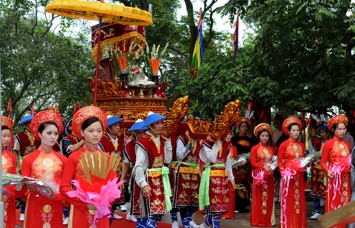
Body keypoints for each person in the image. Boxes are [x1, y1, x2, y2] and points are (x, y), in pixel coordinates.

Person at [60, 105, 118, 227]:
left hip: (101, 211)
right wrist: (84, 202)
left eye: (98, 130)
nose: (95, 134)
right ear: (82, 132)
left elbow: (113, 185)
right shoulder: (74, 157)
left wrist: (104, 201)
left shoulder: (107, 158)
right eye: (90, 131)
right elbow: (64, 187)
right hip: (80, 210)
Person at [21, 109, 67, 227]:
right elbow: (24, 186)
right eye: (49, 133)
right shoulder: (28, 159)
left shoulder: (62, 160)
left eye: (56, 134)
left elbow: (65, 185)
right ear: (40, 134)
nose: (53, 137)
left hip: (56, 202)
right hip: (35, 202)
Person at [134, 111, 173, 228]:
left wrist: (168, 143)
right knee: (150, 213)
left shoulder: (161, 139)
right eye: (157, 124)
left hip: (159, 180)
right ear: (150, 126)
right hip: (149, 180)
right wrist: (143, 184)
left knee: (157, 213)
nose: (161, 126)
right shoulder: (144, 141)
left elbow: (167, 160)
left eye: (161, 123)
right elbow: (139, 165)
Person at [199, 128, 234, 228]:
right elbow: (212, 159)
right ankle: (214, 226)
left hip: (222, 178)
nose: (229, 136)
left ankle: (205, 225)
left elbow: (227, 164)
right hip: (211, 176)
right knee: (214, 203)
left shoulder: (227, 146)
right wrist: (217, 143)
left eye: (230, 134)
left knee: (220, 204)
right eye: (226, 134)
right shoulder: (207, 143)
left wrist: (231, 178)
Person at [320, 114, 351, 225]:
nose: (342, 131)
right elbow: (322, 162)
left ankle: (344, 225)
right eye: (339, 129)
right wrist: (327, 170)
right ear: (333, 130)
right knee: (334, 201)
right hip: (333, 178)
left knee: (345, 202)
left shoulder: (347, 144)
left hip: (345, 177)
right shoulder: (328, 144)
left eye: (344, 129)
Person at [278, 116, 307, 228]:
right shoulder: (284, 145)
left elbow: (302, 161)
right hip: (288, 177)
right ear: (288, 132)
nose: (296, 132)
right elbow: (280, 162)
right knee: (289, 201)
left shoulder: (301, 145)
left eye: (297, 130)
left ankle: (299, 224)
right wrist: (283, 172)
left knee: (299, 200)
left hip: (298, 177)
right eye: (293, 130)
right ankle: (288, 224)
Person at [13, 114, 40, 221]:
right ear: (27, 124)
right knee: (24, 186)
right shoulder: (20, 135)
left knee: (36, 185)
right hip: (24, 162)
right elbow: (15, 151)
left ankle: (36, 208)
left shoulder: (38, 134)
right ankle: (23, 211)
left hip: (37, 163)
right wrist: (18, 164)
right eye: (32, 123)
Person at [121, 119, 147, 224]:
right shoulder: (129, 145)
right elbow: (126, 163)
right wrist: (122, 179)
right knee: (135, 195)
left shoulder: (151, 141)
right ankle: (134, 214)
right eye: (139, 133)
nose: (142, 135)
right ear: (135, 133)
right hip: (137, 173)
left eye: (144, 132)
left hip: (150, 173)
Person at [172, 130, 200, 228]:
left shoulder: (201, 139)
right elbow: (180, 156)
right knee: (183, 200)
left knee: (195, 200)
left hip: (195, 173)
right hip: (183, 171)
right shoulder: (182, 138)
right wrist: (189, 143)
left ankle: (189, 219)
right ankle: (181, 222)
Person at [99, 115, 125, 220]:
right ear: (109, 128)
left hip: (118, 170)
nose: (118, 127)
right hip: (107, 171)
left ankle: (113, 211)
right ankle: (106, 211)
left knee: (116, 193)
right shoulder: (102, 141)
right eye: (115, 125)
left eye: (118, 125)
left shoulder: (120, 139)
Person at [250, 123, 275, 227]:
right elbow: (252, 162)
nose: (265, 138)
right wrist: (262, 167)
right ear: (259, 136)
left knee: (268, 198)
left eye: (266, 136)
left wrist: (272, 167)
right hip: (259, 176)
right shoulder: (254, 148)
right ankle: (258, 220)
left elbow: (273, 162)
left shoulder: (271, 149)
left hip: (269, 176)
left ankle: (268, 220)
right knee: (259, 198)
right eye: (263, 136)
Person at [231, 117, 254, 213]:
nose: (244, 128)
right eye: (242, 126)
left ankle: (244, 205)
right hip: (237, 165)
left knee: (246, 184)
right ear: (239, 128)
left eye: (246, 126)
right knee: (237, 184)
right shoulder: (234, 139)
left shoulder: (251, 140)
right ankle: (237, 205)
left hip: (246, 166)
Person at [309, 123, 330, 220]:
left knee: (327, 190)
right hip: (317, 169)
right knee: (316, 190)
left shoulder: (331, 142)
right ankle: (317, 211)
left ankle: (327, 210)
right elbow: (314, 153)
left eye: (324, 132)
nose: (322, 134)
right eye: (321, 132)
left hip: (327, 169)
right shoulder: (317, 142)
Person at [1, 116, 18, 228]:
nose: (7, 139)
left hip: (8, 196)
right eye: (4, 136)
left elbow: (13, 177)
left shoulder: (11, 156)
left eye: (9, 136)